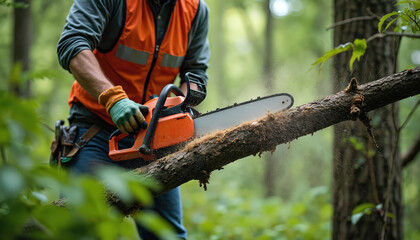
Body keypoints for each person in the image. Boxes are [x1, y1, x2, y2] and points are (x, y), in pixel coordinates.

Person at [57, 0, 210, 239]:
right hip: (95, 129)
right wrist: (113, 99)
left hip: (154, 137)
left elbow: (196, 72)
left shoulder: (195, 10)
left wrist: (176, 106)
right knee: (82, 228)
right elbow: (72, 44)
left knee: (167, 235)